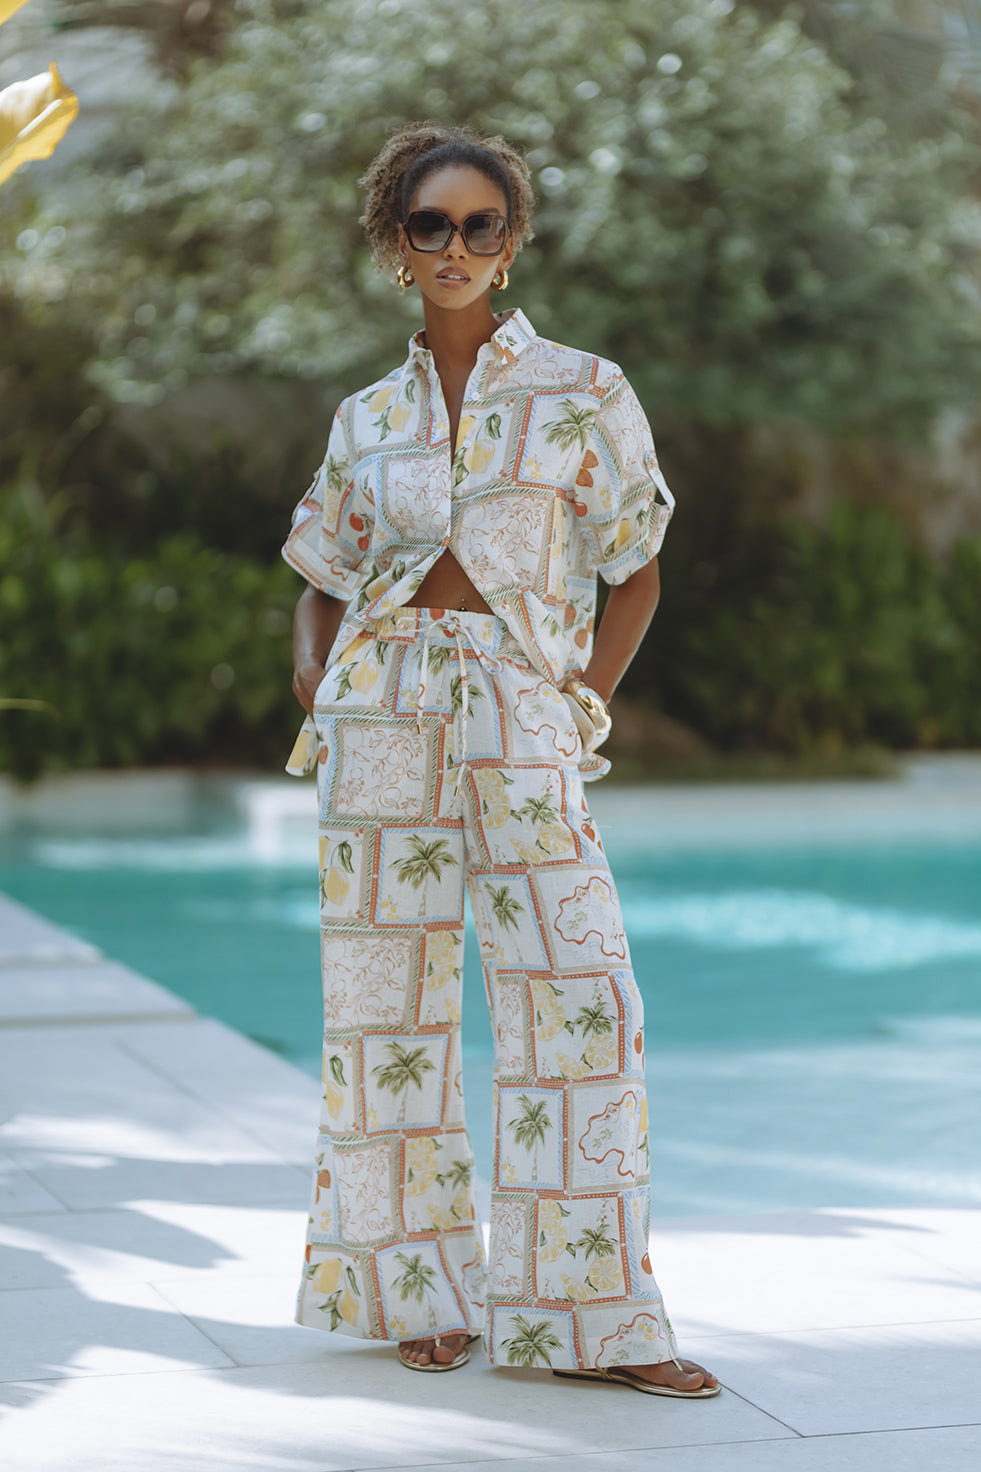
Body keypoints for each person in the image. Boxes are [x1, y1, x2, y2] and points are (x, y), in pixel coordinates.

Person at [282, 121, 718, 1399]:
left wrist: (579, 700)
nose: (456, 246)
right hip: (381, 713)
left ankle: (593, 1316)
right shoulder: (367, 417)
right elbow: (320, 570)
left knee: (583, 996)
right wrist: (317, 672)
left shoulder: (585, 391)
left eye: (481, 224)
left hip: (522, 705)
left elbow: (636, 568)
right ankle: (416, 1291)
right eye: (431, 224)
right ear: (396, 243)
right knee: (384, 1008)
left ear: (511, 242)